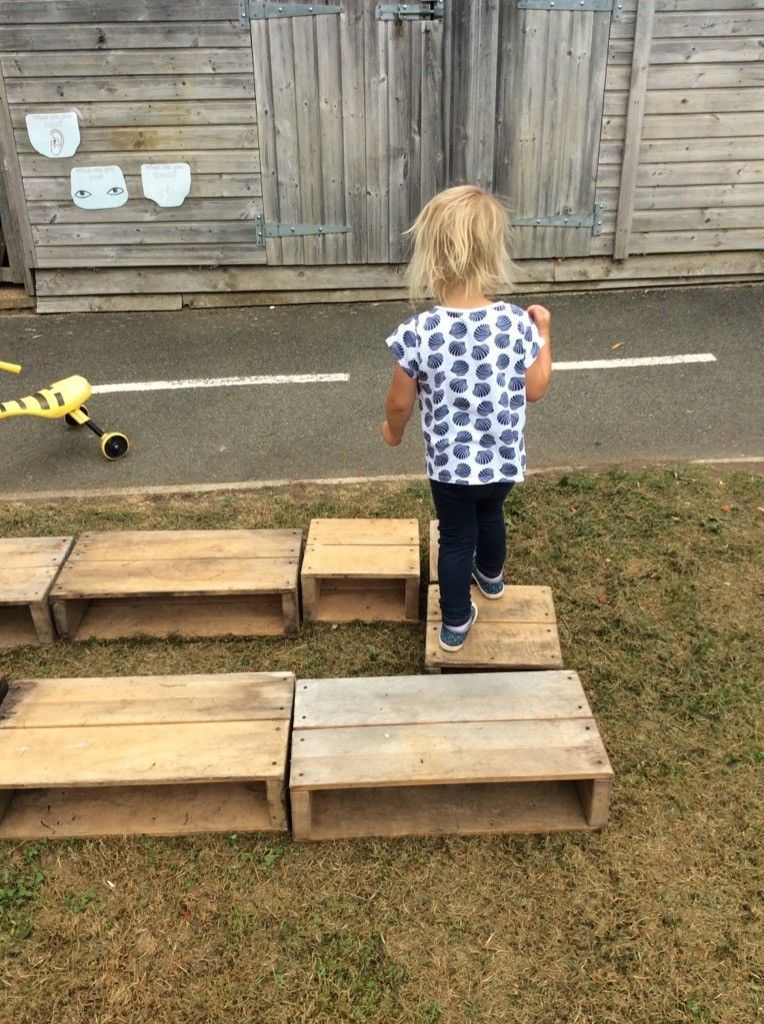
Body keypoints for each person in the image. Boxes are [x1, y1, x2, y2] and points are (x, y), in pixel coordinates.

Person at [381, 185, 552, 652]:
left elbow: (399, 403)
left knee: (456, 538)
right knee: (491, 515)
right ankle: (492, 579)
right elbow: (535, 389)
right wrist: (545, 333)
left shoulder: (418, 332)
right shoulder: (517, 323)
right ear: (492, 254)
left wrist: (391, 432)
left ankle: (456, 621)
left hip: (450, 469)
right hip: (501, 464)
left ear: (432, 258)